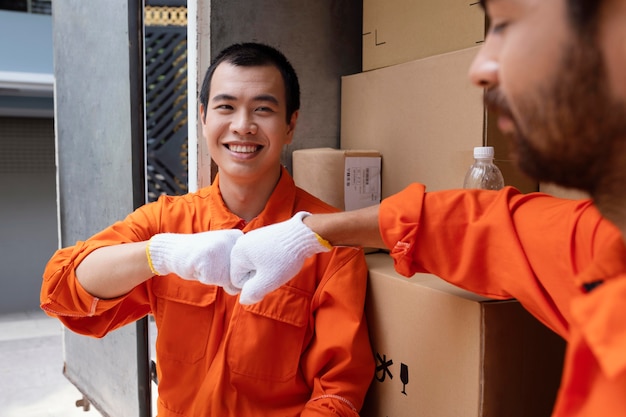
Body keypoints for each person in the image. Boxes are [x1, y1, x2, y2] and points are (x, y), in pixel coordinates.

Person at [229, 1, 626, 417]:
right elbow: (473, 225)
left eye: (512, 26)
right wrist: (304, 233)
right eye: (225, 105)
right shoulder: (600, 242)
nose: (483, 67)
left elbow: (338, 389)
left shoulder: (337, 267)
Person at [40, 42, 374, 417]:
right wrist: (159, 254)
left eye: (263, 109)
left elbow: (338, 394)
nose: (243, 125)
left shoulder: (329, 243)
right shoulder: (167, 222)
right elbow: (61, 288)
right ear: (203, 117)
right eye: (226, 107)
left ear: (291, 124)